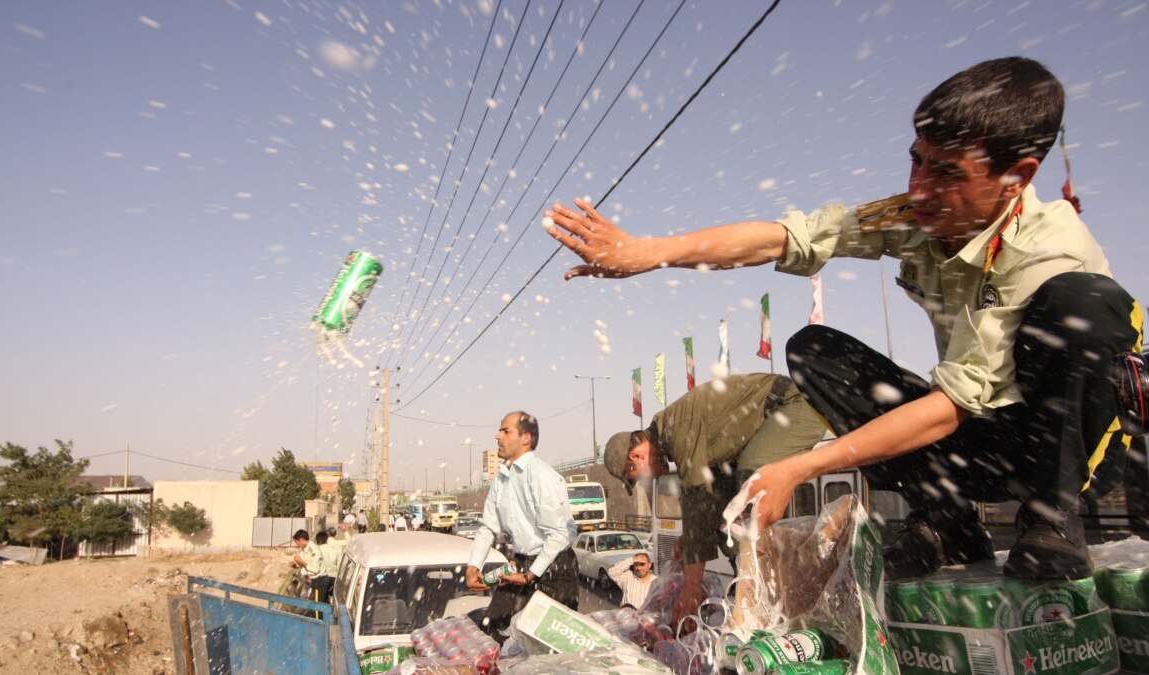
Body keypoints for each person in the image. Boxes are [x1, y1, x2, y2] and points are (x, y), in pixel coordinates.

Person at [546, 57, 1142, 582]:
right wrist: (649, 252)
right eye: (917, 162)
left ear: (1019, 177)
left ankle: (1053, 517)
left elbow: (952, 405)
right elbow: (785, 238)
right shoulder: (915, 213)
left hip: (1057, 448)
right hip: (974, 445)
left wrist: (802, 466)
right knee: (815, 349)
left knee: (1083, 302)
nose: (920, 190)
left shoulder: (1047, 249)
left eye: (948, 174)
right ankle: (950, 523)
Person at [603, 373, 826, 626]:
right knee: (727, 520)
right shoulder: (672, 436)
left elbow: (697, 495)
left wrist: (691, 589)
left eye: (637, 477)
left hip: (795, 403)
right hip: (771, 421)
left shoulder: (674, 429)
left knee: (752, 474)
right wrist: (689, 540)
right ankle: (754, 592)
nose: (649, 480)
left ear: (635, 457)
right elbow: (706, 500)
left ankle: (793, 583)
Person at [465, 411, 580, 639]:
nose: (498, 436)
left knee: (549, 643)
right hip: (520, 565)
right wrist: (473, 566)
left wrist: (530, 575)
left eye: (505, 431)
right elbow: (488, 528)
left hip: (554, 567)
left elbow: (561, 534)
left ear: (526, 438)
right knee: (493, 631)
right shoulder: (501, 479)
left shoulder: (541, 476)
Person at [291, 529, 327, 618]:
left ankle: (319, 623)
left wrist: (301, 562)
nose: (297, 544)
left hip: (319, 580)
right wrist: (295, 565)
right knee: (316, 605)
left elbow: (315, 569)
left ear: (301, 540)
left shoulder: (314, 550)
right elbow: (303, 561)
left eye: (297, 542)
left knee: (318, 607)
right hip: (313, 580)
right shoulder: (304, 549)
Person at [314, 530, 339, 604]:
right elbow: (339, 565)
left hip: (321, 579)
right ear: (326, 540)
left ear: (317, 540)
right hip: (334, 578)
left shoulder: (317, 551)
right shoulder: (335, 550)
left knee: (320, 602)